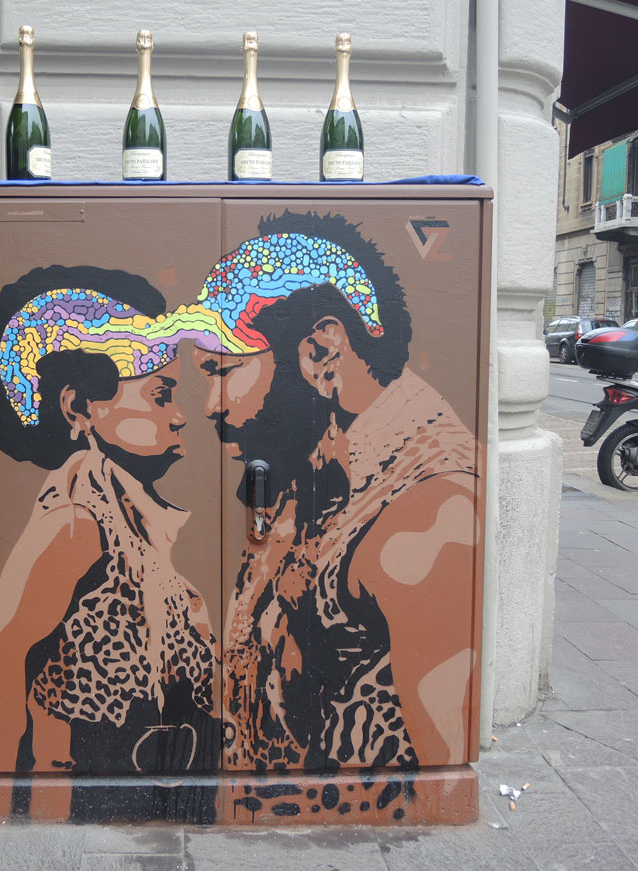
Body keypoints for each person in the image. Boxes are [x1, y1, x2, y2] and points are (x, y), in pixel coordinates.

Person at [173, 211, 478, 776]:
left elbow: (436, 777)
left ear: (321, 350)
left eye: (221, 370)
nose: (210, 405)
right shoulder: (322, 457)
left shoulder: (432, 505)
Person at [0, 265, 219, 822]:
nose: (179, 416)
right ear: (80, 408)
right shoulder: (76, 521)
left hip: (143, 793)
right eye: (159, 396)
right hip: (81, 796)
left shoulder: (131, 517)